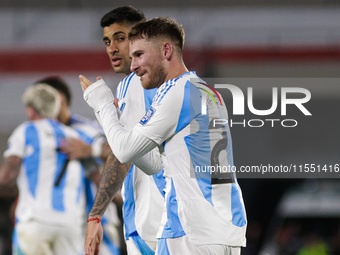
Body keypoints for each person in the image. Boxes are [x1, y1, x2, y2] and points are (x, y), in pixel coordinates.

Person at [80, 17, 247, 255]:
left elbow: (124, 151)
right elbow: (157, 163)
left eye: (139, 55)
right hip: (224, 230)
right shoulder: (205, 90)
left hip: (190, 230)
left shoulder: (176, 93)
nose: (133, 66)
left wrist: (103, 105)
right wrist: (128, 134)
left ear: (166, 50)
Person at [86, 6, 166, 255]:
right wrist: (96, 216)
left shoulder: (136, 83)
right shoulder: (171, 83)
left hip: (158, 224)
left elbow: (124, 153)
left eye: (121, 38)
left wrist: (102, 107)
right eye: (107, 41)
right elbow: (123, 155)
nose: (111, 48)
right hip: (164, 221)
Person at [34, 76, 121, 255]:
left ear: (60, 100)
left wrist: (91, 150)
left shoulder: (84, 129)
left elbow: (118, 151)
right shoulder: (41, 134)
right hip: (62, 226)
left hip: (97, 226)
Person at [0, 84, 86, 255]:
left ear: (31, 110)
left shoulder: (26, 131)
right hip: (70, 224)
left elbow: (6, 176)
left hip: (35, 221)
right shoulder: (75, 136)